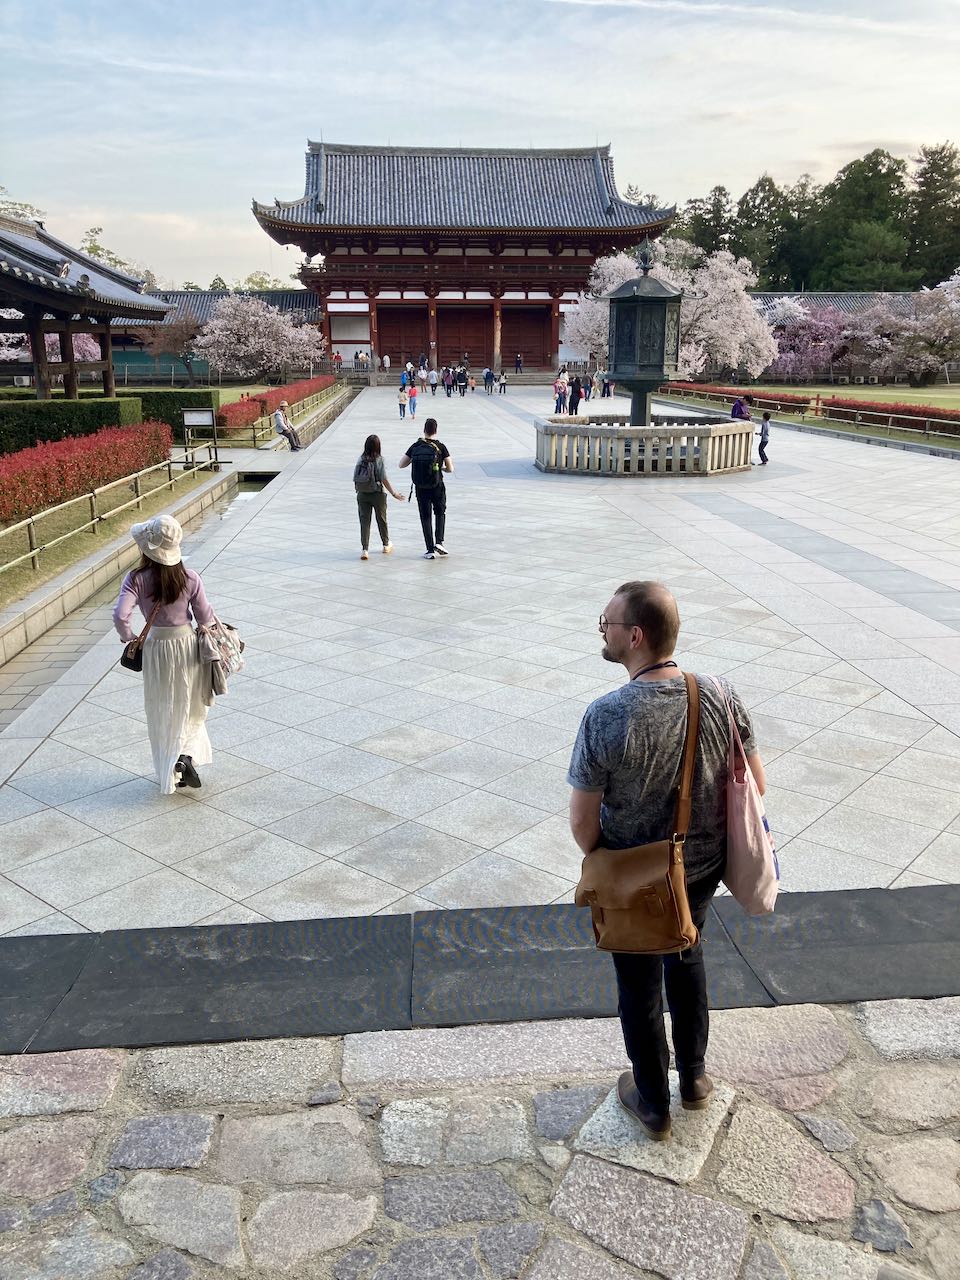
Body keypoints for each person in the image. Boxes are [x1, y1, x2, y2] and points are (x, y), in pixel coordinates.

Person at [567, 581, 766, 1141]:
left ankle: (652, 1102)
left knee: (637, 981)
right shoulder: (720, 694)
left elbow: (583, 824)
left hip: (636, 876)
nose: (601, 631)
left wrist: (607, 865)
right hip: (700, 871)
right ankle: (695, 1079)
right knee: (687, 949)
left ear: (635, 636)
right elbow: (758, 783)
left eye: (605, 623)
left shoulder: (605, 715)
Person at [113, 515, 218, 794]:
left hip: (156, 647)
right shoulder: (190, 578)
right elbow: (205, 618)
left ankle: (170, 765)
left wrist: (130, 637)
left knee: (162, 706)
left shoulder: (135, 579)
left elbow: (121, 615)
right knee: (192, 704)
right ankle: (184, 757)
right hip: (186, 646)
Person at [399, 417, 453, 560]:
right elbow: (450, 469)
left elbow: (401, 464)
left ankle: (429, 550)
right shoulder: (441, 447)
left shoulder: (416, 446)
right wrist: (440, 467)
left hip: (421, 487)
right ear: (436, 430)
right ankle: (439, 542)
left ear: (424, 430)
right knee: (440, 512)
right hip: (437, 485)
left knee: (425, 517)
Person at [354, 433, 405, 559]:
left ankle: (365, 549)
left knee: (364, 522)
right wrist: (394, 493)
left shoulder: (360, 459)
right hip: (377, 494)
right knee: (381, 519)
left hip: (362, 494)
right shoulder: (379, 459)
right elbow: (384, 479)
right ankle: (386, 544)